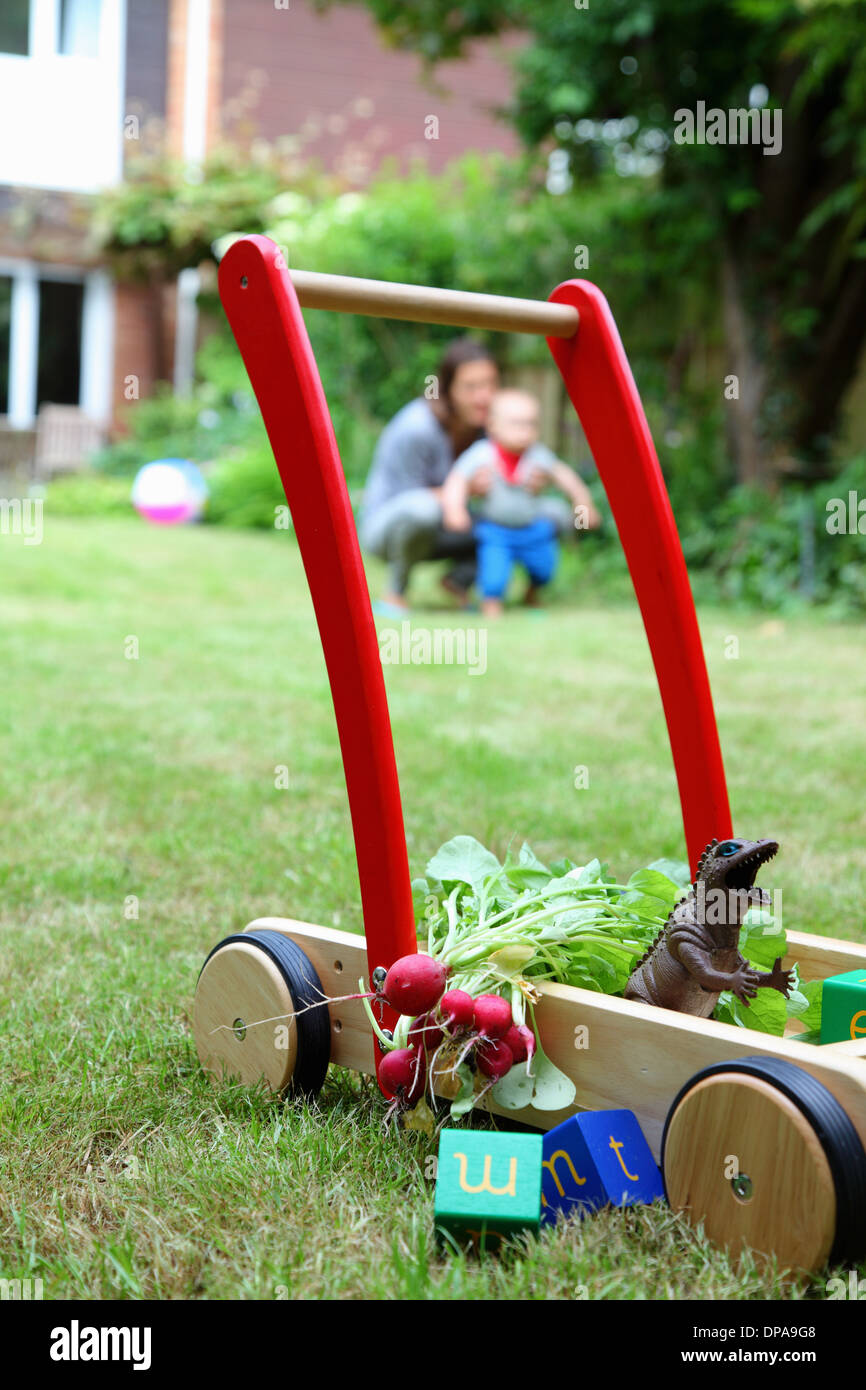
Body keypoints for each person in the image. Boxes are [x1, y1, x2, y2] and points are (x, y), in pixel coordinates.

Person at [358, 338, 499, 614]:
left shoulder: (486, 428)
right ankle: (394, 594)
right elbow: (410, 501)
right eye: (471, 387)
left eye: (490, 384)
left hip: (440, 529)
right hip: (387, 529)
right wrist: (464, 490)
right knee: (424, 510)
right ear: (447, 389)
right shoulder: (417, 427)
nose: (484, 397)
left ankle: (458, 583)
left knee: (518, 516)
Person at [440, 388, 601, 617]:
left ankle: (532, 592)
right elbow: (457, 479)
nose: (525, 431)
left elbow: (565, 477)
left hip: (532, 528)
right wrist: (454, 509)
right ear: (493, 425)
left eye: (531, 424)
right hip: (496, 530)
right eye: (517, 424)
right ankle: (491, 603)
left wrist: (584, 504)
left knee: (544, 568)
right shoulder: (482, 454)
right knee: (494, 573)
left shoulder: (537, 455)